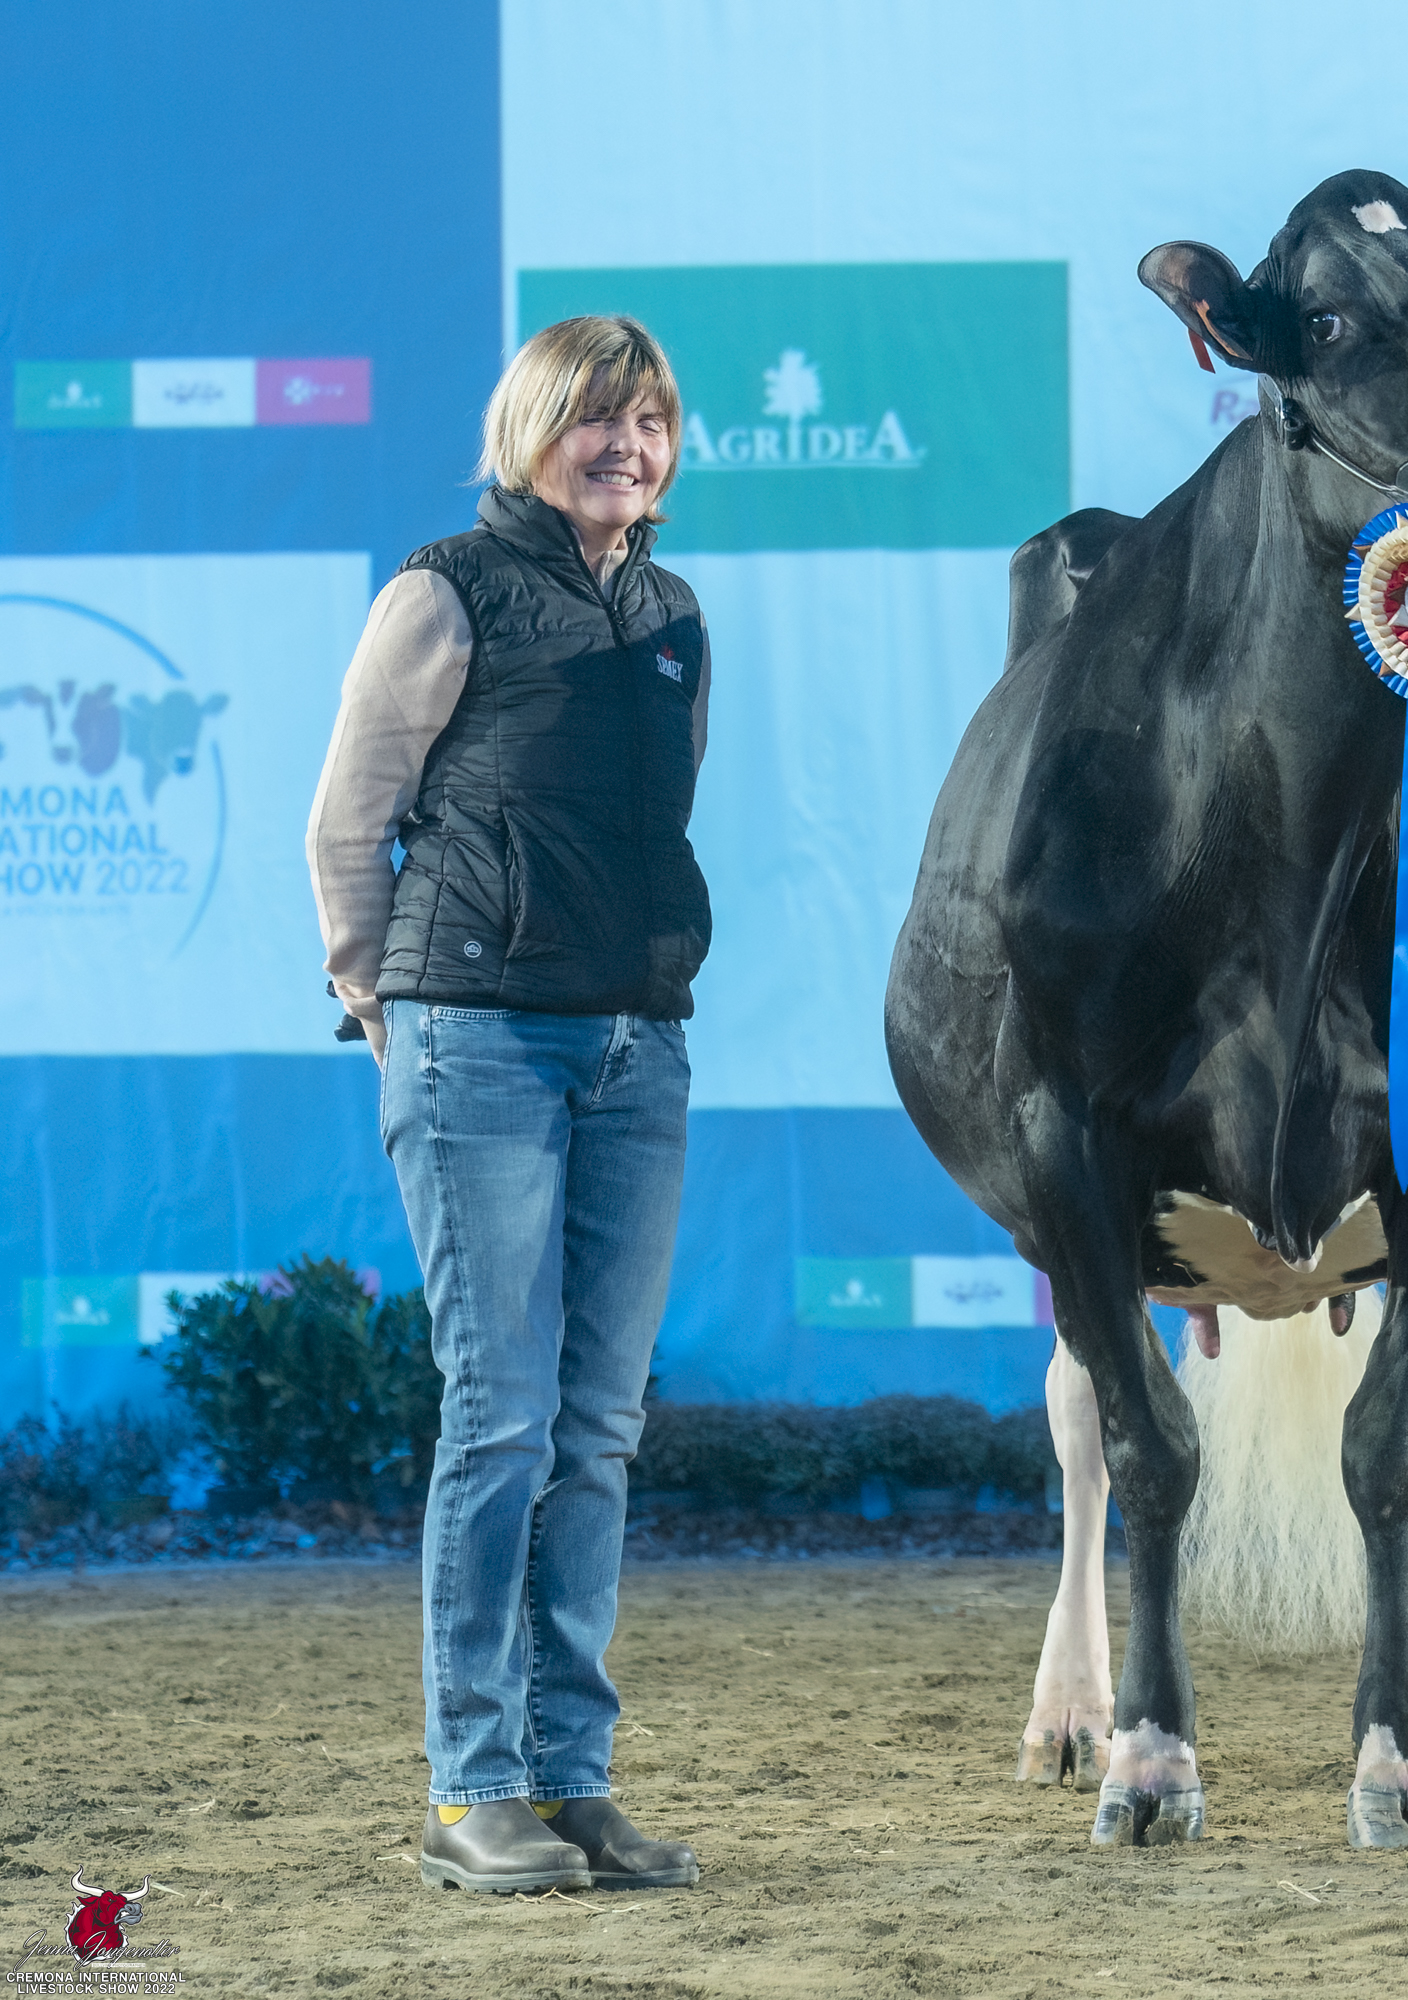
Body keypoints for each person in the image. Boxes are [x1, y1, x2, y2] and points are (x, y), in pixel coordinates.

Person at [306, 315, 714, 1896]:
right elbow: (347, 823)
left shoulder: (673, 616)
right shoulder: (445, 589)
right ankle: (471, 1785)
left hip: (637, 1045)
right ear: (532, 431)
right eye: (597, 420)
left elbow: (656, 818)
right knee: (502, 1417)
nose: (628, 447)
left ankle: (570, 1778)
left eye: (650, 422)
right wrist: (387, 1009)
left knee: (598, 1429)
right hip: (475, 1038)